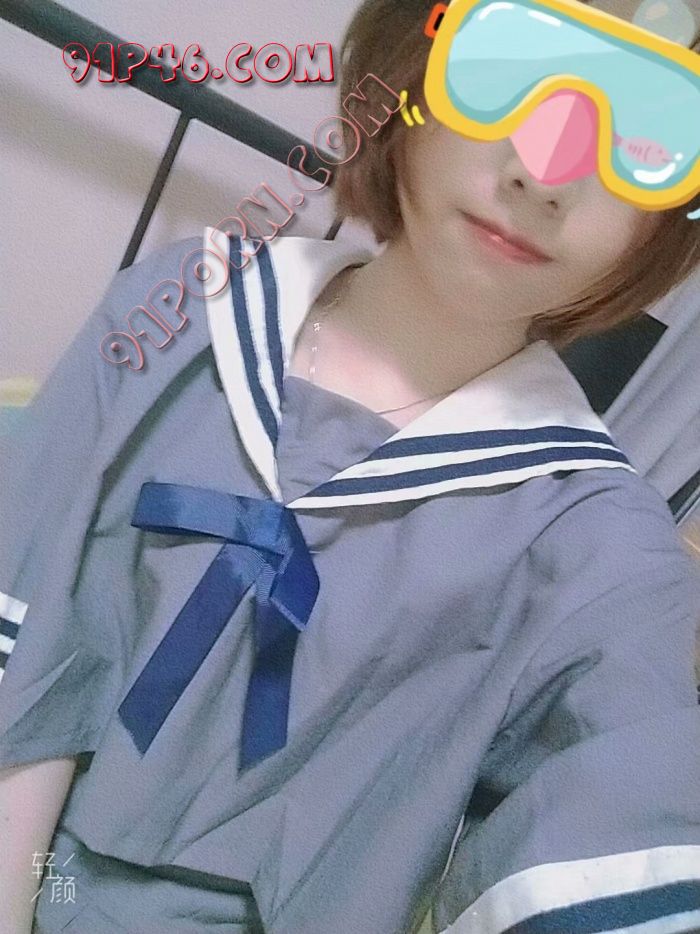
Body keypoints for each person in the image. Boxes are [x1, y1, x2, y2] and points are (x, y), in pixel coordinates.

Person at [1, 0, 699, 931]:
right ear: (409, 71)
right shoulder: (177, 312)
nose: (544, 174)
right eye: (506, 67)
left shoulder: (594, 541)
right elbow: (29, 628)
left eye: (649, 128)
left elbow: (628, 792)